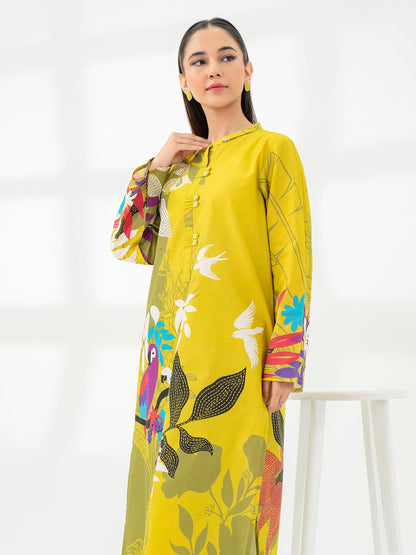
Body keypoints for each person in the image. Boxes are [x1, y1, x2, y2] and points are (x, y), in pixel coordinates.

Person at [110, 16, 312, 555]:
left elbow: (293, 262)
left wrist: (286, 360)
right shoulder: (175, 168)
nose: (214, 69)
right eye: (198, 62)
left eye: (226, 57)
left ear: (248, 70)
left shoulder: (272, 151)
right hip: (166, 365)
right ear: (184, 81)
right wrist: (157, 166)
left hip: (238, 358)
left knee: (233, 496)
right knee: (162, 499)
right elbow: (127, 243)